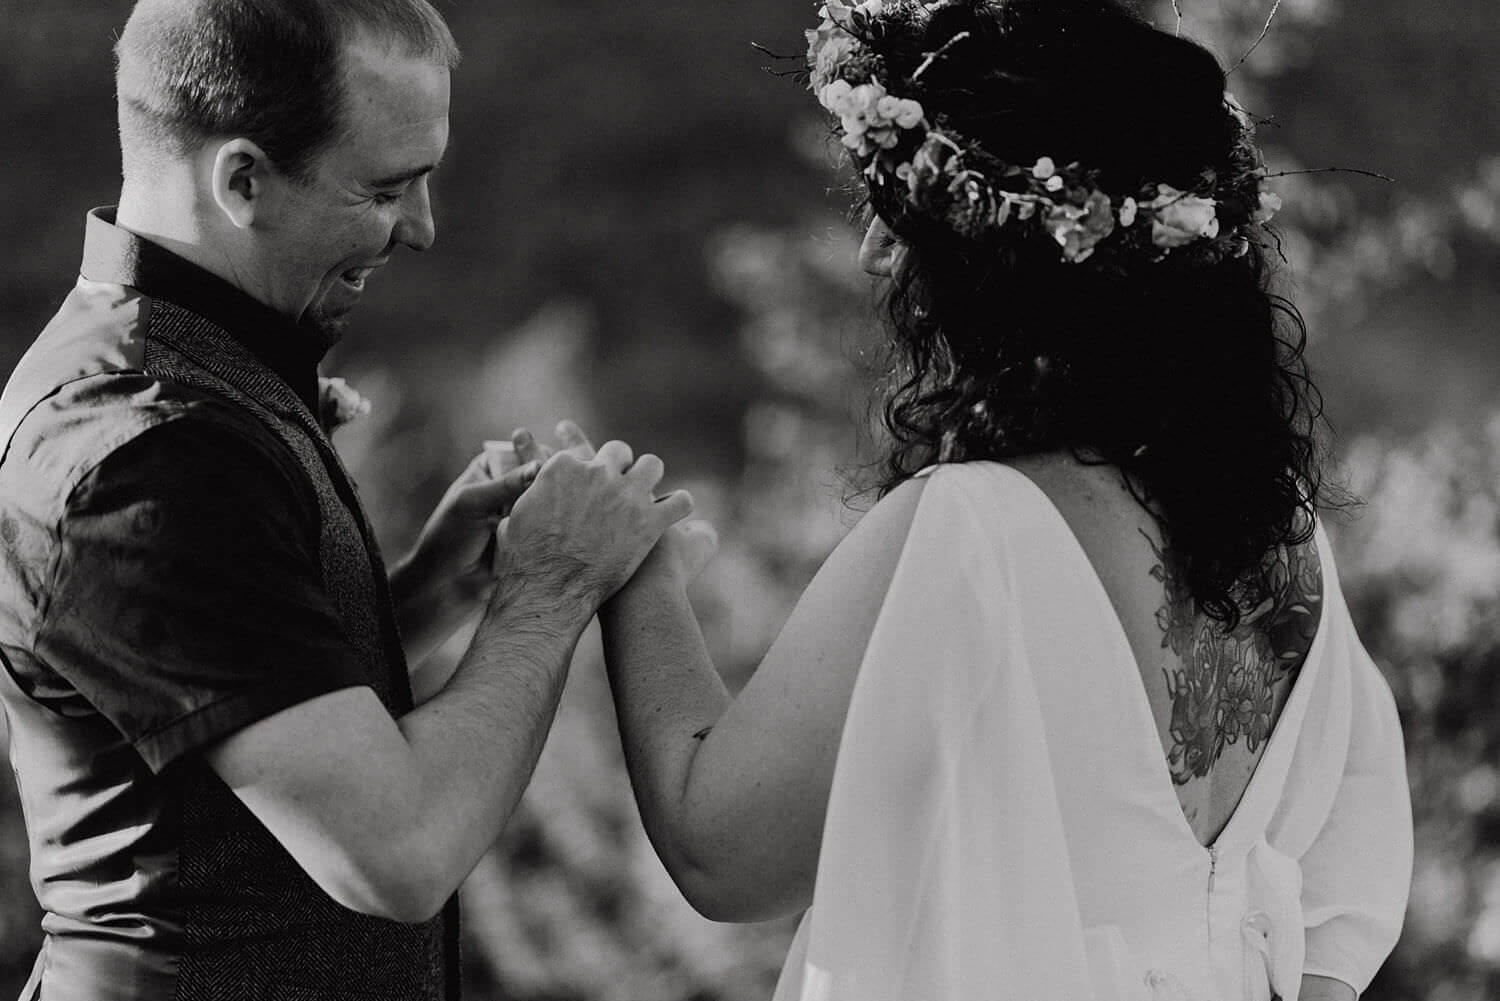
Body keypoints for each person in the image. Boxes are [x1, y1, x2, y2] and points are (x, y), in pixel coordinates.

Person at [598, 1, 1413, 998]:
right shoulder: (1292, 547)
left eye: (903, 218)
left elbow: (720, 849)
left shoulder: (970, 535)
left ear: (999, 263)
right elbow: (1340, 915)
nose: (872, 254)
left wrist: (625, 559)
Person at [0, 1, 690, 998]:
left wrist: (421, 596)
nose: (421, 227)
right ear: (241, 179)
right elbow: (396, 853)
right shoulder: (150, 446)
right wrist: (553, 585)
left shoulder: (184, 361)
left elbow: (221, 720)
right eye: (385, 188)